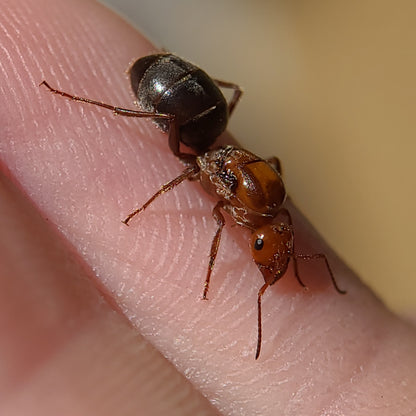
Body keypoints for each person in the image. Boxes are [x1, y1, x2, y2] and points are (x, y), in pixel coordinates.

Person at [1, 1, 415, 414]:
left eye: (268, 250)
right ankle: (80, 99)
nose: (269, 254)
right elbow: (222, 212)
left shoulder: (273, 199)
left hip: (208, 113)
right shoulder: (250, 206)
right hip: (179, 101)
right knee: (184, 142)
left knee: (232, 95)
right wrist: (150, 209)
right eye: (271, 248)